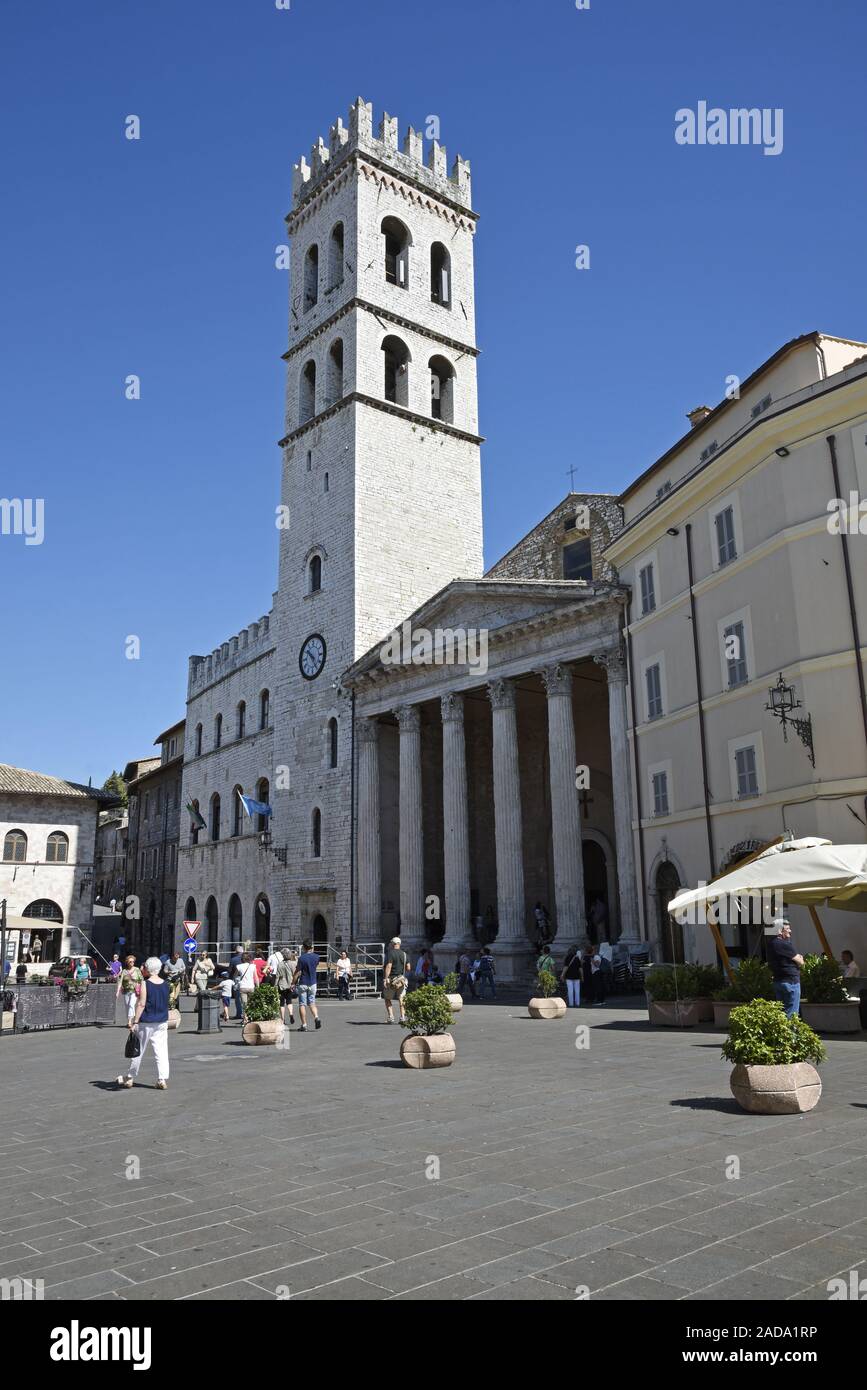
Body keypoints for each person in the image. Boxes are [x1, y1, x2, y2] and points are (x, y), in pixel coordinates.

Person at [117, 956, 170, 1090]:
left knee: (138, 1050)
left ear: (147, 969)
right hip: (162, 1021)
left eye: (144, 967)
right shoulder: (166, 983)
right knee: (162, 1051)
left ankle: (130, 1077)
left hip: (147, 1021)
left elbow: (141, 1003)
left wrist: (135, 1021)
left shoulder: (146, 984)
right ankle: (162, 1079)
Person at [766, 918, 804, 1017]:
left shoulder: (771, 944)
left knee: (782, 1013)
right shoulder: (784, 944)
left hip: (778, 981)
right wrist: (800, 958)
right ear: (780, 930)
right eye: (787, 928)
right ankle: (790, 1032)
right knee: (791, 1014)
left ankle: (782, 1032)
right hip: (790, 982)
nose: (790, 931)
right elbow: (800, 962)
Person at [293, 940, 322, 1032]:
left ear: (304, 947)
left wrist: (293, 983)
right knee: (312, 1002)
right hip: (313, 982)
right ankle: (316, 1017)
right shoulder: (317, 957)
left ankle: (304, 1025)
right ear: (311, 947)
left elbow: (297, 972)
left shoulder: (301, 958)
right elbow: (315, 965)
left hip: (303, 982)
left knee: (302, 1004)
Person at [383, 936, 409, 1023]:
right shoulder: (404, 954)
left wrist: (386, 978)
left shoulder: (390, 953)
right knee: (401, 998)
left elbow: (389, 966)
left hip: (392, 979)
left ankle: (391, 1017)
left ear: (392, 944)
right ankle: (402, 1017)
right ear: (399, 944)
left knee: (387, 998)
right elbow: (408, 968)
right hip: (401, 980)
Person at [275, 948, 297, 1027]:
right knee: (289, 1001)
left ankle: (282, 1019)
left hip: (281, 985)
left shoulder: (279, 964)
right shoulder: (293, 963)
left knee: (281, 1003)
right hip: (290, 984)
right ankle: (291, 1014)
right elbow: (296, 974)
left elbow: (277, 976)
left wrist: (275, 985)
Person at [117, 955, 143, 1023]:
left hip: (134, 991)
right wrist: (117, 992)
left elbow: (142, 980)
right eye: (130, 962)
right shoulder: (124, 971)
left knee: (131, 1004)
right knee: (127, 1006)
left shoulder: (137, 970)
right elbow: (120, 982)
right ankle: (130, 1018)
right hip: (126, 991)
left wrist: (142, 989)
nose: (132, 963)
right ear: (127, 962)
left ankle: (129, 1021)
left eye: (133, 961)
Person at [236, 953, 259, 1018]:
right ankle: (250, 1018)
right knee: (251, 1004)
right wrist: (258, 986)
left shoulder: (238, 966)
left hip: (243, 987)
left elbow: (235, 976)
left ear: (242, 959)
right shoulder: (253, 966)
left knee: (244, 1004)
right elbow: (256, 977)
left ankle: (245, 1019)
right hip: (251, 987)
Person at [581, 943, 603, 1007]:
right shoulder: (593, 956)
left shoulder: (585, 957)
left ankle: (589, 998)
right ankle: (593, 997)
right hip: (592, 973)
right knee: (593, 986)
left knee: (587, 986)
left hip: (586, 973)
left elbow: (581, 963)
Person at [229, 946, 244, 1020]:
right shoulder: (246, 959)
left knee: (238, 998)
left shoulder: (233, 959)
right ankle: (246, 1014)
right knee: (246, 998)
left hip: (237, 979)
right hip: (246, 978)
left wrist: (230, 979)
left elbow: (230, 971)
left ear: (236, 952)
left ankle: (239, 1013)